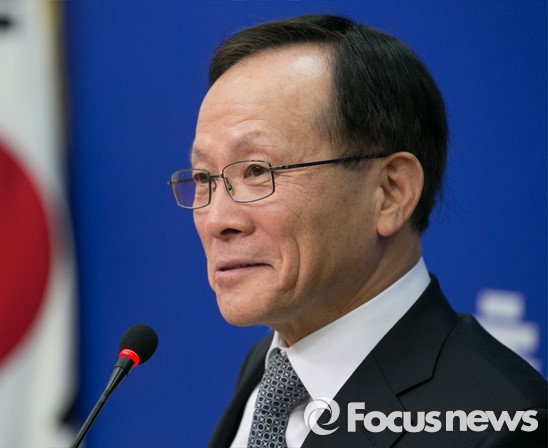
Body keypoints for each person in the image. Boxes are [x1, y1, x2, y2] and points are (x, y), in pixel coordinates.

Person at [168, 14, 547, 448]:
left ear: (390, 193)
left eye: (257, 170)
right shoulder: (269, 368)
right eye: (204, 178)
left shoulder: (503, 429)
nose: (216, 219)